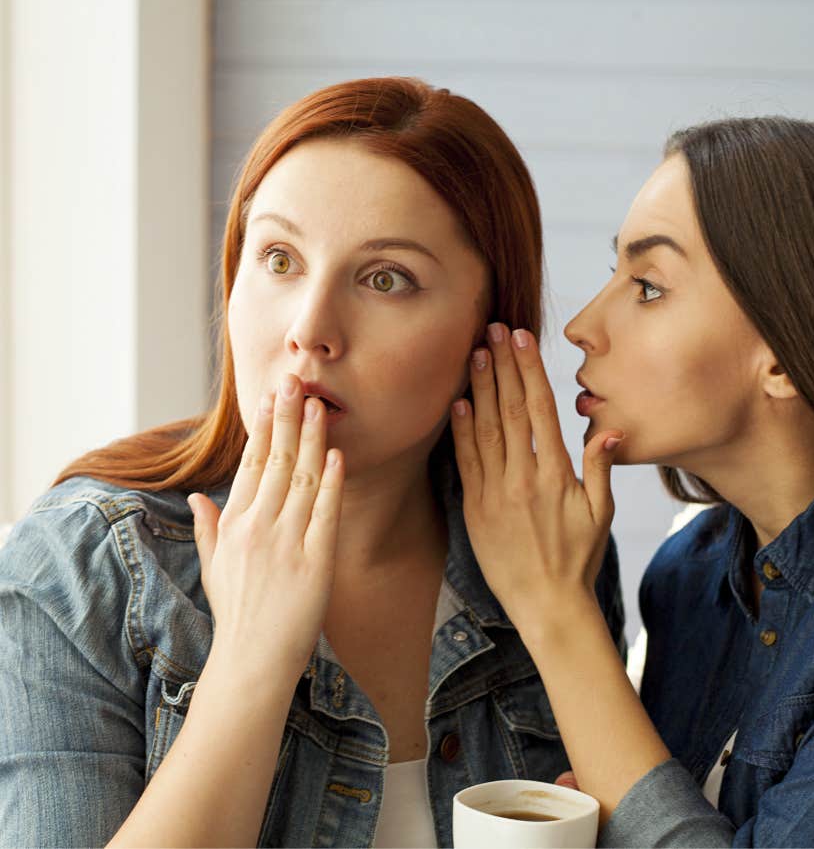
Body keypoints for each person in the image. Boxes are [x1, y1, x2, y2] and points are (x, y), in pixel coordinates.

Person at [0, 77, 624, 848]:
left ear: (486, 331)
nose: (310, 327)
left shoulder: (550, 552)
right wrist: (251, 659)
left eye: (385, 278)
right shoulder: (81, 569)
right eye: (279, 258)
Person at [451, 115, 814, 846]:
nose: (580, 326)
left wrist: (554, 607)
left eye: (648, 287)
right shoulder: (687, 577)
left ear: (786, 354)